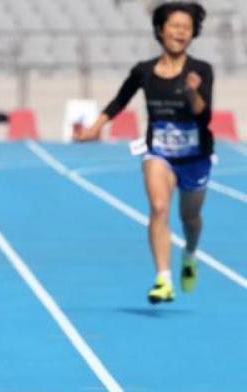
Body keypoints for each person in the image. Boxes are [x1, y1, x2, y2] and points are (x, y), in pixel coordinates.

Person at [75, 2, 212, 304]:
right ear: (161, 30)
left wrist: (192, 92)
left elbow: (204, 116)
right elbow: (119, 101)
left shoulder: (201, 71)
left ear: (193, 34)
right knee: (159, 207)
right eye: (174, 26)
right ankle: (162, 279)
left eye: (186, 28)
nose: (180, 32)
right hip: (158, 152)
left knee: (190, 217)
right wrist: (96, 127)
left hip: (194, 156)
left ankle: (189, 254)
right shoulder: (144, 71)